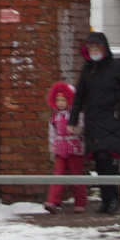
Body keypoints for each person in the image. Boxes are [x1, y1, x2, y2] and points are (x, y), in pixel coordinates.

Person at [67, 32, 120, 214]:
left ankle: (113, 198)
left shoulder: (117, 68)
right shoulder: (87, 70)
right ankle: (107, 200)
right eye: (90, 50)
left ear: (104, 49)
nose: (93, 52)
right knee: (99, 161)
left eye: (96, 49)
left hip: (113, 121)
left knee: (107, 159)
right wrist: (72, 119)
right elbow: (79, 96)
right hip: (93, 120)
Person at [44, 81, 88, 213]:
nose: (60, 103)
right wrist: (52, 149)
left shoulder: (77, 115)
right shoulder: (54, 117)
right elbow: (52, 133)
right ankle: (53, 201)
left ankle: (80, 202)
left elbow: (83, 129)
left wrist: (80, 132)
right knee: (58, 175)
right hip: (59, 148)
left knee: (76, 176)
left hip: (74, 148)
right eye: (58, 100)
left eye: (63, 100)